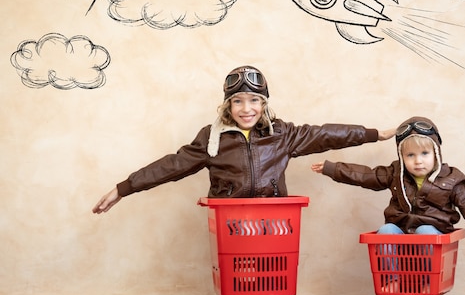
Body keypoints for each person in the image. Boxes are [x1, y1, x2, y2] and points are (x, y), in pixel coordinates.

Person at [92, 65, 395, 214]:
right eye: (238, 101)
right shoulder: (212, 138)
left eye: (254, 100)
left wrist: (372, 135)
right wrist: (124, 188)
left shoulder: (281, 134)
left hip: (273, 218)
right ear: (228, 105)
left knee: (270, 267)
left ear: (264, 104)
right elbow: (173, 165)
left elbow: (326, 134)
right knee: (239, 269)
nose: (246, 109)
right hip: (231, 219)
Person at [311, 116, 465, 245]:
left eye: (425, 153)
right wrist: (333, 168)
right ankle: (393, 279)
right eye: (410, 156)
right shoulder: (395, 173)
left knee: (425, 231)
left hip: (433, 233)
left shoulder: (452, 178)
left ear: (436, 153)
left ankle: (424, 279)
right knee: (386, 231)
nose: (418, 161)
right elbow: (366, 175)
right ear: (402, 157)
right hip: (402, 230)